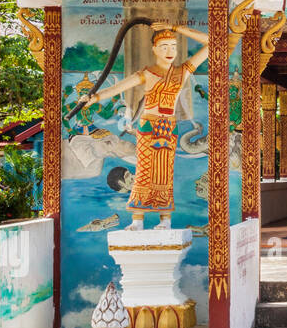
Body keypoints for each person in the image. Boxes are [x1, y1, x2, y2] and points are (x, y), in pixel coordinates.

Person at [81, 22, 208, 230]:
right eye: (164, 46)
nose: (170, 51)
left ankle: (165, 220)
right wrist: (94, 98)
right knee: (144, 172)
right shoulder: (147, 73)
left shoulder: (181, 72)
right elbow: (117, 87)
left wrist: (175, 27)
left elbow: (211, 44)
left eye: (173, 46)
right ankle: (137, 220)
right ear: (154, 49)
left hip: (168, 127)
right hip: (149, 126)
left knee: (164, 173)